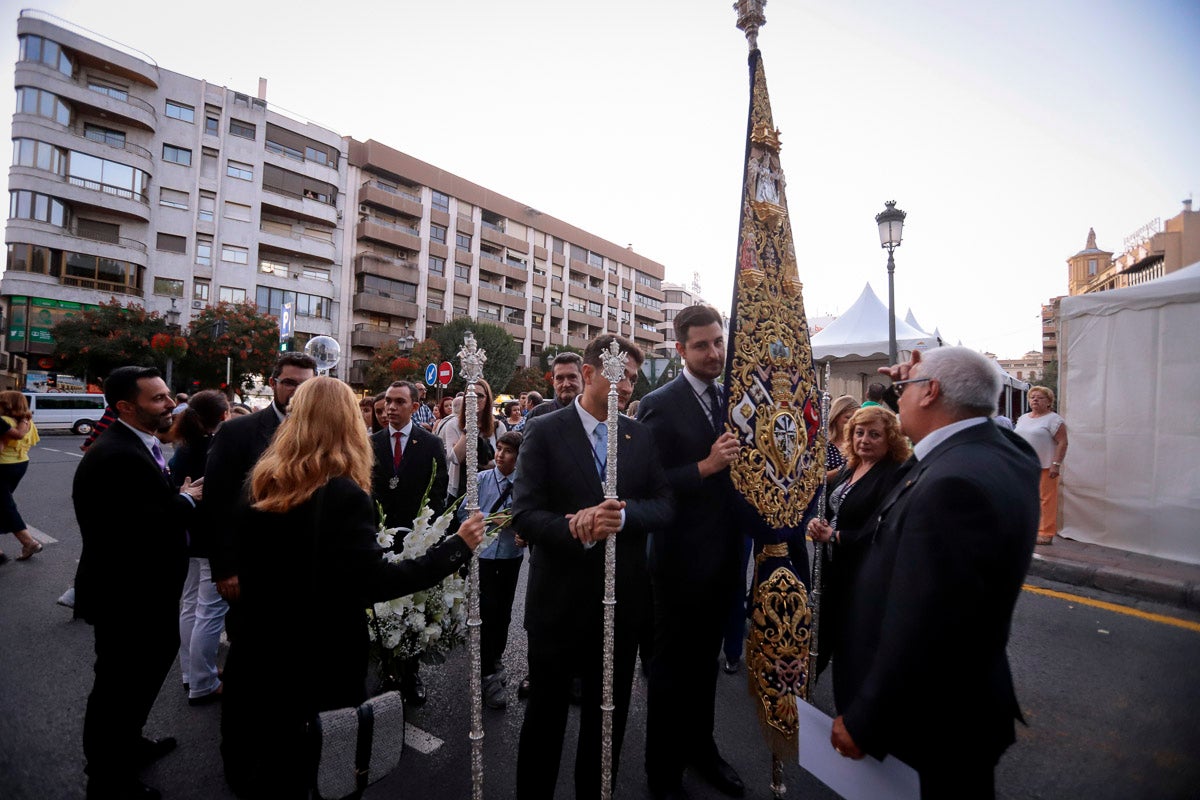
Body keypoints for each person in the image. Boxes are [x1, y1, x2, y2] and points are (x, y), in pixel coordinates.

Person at [219, 377, 484, 799]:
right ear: (348, 424)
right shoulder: (341, 493)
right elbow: (375, 581)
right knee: (326, 772)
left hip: (258, 653)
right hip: (319, 660)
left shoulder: (264, 480)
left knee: (266, 773)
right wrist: (456, 549)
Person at [830, 346, 1040, 799]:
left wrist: (867, 718)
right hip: (968, 703)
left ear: (931, 394)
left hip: (930, 721)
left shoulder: (951, 486)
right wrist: (920, 382)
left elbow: (924, 623)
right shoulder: (1010, 453)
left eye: (903, 389)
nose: (895, 395)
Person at [513, 333, 673, 800]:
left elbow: (664, 505)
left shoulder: (639, 435)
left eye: (632, 378)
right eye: (617, 374)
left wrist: (622, 516)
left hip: (622, 604)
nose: (625, 386)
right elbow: (524, 513)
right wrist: (575, 527)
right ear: (588, 374)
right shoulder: (545, 430)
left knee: (608, 718)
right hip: (557, 604)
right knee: (545, 718)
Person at [73, 366, 204, 800]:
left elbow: (145, 506)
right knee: (117, 689)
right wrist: (186, 499)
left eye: (169, 395)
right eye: (159, 399)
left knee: (138, 683)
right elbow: (136, 529)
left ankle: (129, 744)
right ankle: (107, 778)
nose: (171, 405)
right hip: (126, 597)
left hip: (148, 592)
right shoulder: (116, 454)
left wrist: (175, 495)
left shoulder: (136, 444)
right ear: (126, 407)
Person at [638, 305, 745, 800]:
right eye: (702, 345)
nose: (714, 353)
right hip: (678, 566)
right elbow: (650, 483)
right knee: (670, 676)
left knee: (704, 670)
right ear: (680, 349)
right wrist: (705, 467)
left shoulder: (732, 398)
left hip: (725, 560)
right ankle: (663, 776)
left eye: (718, 342)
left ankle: (703, 752)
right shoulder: (661, 402)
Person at [806, 405, 910, 685]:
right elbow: (833, 508)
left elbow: (884, 529)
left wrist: (835, 536)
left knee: (854, 647)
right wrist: (819, 524)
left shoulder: (894, 474)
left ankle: (853, 715)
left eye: (874, 434)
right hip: (832, 568)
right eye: (859, 433)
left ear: (890, 439)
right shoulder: (851, 466)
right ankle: (801, 701)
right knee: (821, 635)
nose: (864, 440)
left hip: (863, 574)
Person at [206, 352, 318, 604]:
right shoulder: (237, 431)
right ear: (272, 383)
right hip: (253, 567)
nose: (297, 391)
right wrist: (225, 568)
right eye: (289, 383)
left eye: (305, 385)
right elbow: (217, 503)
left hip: (308, 571)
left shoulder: (320, 434)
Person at [370, 379, 449, 706]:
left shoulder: (429, 443)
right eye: (388, 401)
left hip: (415, 541)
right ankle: (386, 669)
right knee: (381, 609)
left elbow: (438, 491)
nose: (390, 408)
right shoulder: (370, 442)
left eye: (399, 402)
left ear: (415, 407)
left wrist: (427, 535)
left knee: (413, 607)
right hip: (379, 539)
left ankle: (411, 671)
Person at [168, 390, 231, 706]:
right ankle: (203, 681)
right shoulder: (214, 447)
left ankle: (191, 673)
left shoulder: (185, 446)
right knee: (210, 610)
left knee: (191, 605)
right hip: (209, 537)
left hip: (188, 534)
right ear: (223, 415)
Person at [468, 429, 526, 709]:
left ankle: (495, 658)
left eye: (508, 451)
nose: (501, 455)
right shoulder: (481, 480)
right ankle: (486, 668)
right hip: (485, 555)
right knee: (484, 611)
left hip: (510, 556)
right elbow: (462, 513)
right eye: (499, 449)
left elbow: (529, 516)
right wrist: (488, 519)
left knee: (502, 612)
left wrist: (521, 529)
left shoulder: (524, 485)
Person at [1015, 386, 1068, 546]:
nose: (1035, 400)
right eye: (1032, 397)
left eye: (1040, 397)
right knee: (1025, 498)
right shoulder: (1023, 418)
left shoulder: (1054, 420)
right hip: (1024, 464)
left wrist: (1056, 464)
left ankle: (1046, 533)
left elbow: (1063, 442)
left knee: (1046, 500)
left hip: (1045, 465)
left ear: (1049, 402)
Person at [0, 392, 43, 562]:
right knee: (2, 503)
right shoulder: (27, 423)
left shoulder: (5, 422)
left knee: (5, 505)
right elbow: (31, 441)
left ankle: (28, 542)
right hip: (20, 463)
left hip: (2, 465)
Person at [450, 378, 499, 502]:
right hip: (460, 490)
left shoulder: (497, 426)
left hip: (489, 490)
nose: (475, 400)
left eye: (480, 396)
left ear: (487, 399)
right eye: (470, 396)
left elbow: (501, 462)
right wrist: (469, 427)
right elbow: (455, 458)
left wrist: (483, 464)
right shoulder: (453, 425)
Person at [524, 351, 583, 425]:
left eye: (572, 377)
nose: (566, 384)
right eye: (560, 378)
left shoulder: (596, 414)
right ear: (553, 381)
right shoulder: (538, 414)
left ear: (584, 378)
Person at [827, 395, 861, 471]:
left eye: (856, 418)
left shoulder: (860, 443)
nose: (852, 422)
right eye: (848, 417)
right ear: (836, 417)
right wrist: (844, 469)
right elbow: (817, 477)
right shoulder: (823, 444)